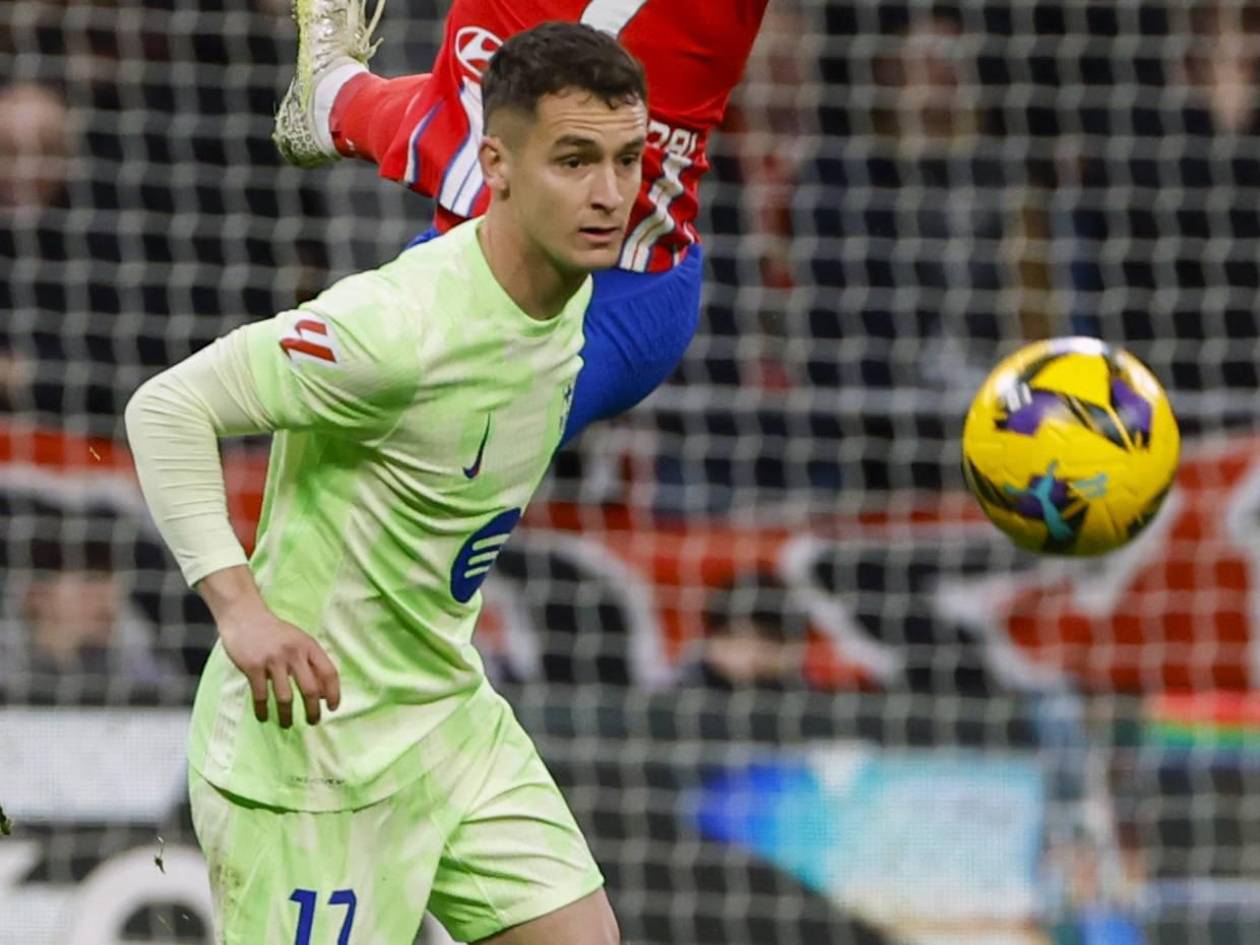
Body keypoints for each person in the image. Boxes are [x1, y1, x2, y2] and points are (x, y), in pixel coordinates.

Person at [125, 22, 644, 944]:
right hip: (311, 755)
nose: (609, 194)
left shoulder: (568, 297)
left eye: (626, 159)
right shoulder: (395, 329)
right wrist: (241, 610)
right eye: (574, 160)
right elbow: (166, 408)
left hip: (445, 716)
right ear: (497, 165)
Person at [272, 0, 771, 443]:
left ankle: (340, 104)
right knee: (327, 444)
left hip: (619, 292)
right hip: (490, 255)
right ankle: (339, 104)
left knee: (427, 453)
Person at [679, 573, 811, 692]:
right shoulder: (681, 698)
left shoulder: (811, 703)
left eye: (765, 638)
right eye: (732, 637)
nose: (749, 654)